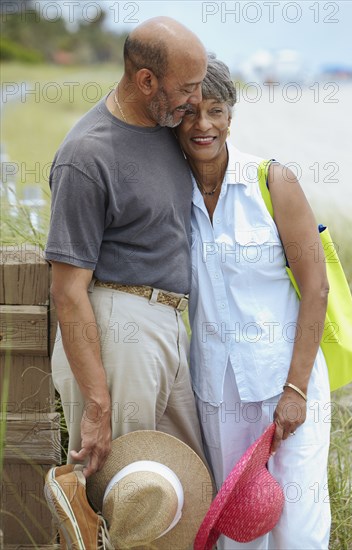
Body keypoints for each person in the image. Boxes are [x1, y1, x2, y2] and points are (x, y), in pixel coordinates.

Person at [175, 54, 331, 549]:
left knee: (297, 523)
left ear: (230, 116)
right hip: (217, 395)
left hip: (286, 381)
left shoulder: (273, 183)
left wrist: (296, 391)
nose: (204, 125)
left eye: (216, 111)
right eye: (190, 112)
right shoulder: (170, 198)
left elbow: (317, 288)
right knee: (240, 528)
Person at [45, 16, 208, 484]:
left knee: (182, 489)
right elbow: (68, 292)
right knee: (119, 490)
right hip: (120, 333)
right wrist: (97, 404)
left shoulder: (166, 126)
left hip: (171, 327)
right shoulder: (86, 156)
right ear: (146, 80)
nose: (195, 100)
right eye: (188, 87)